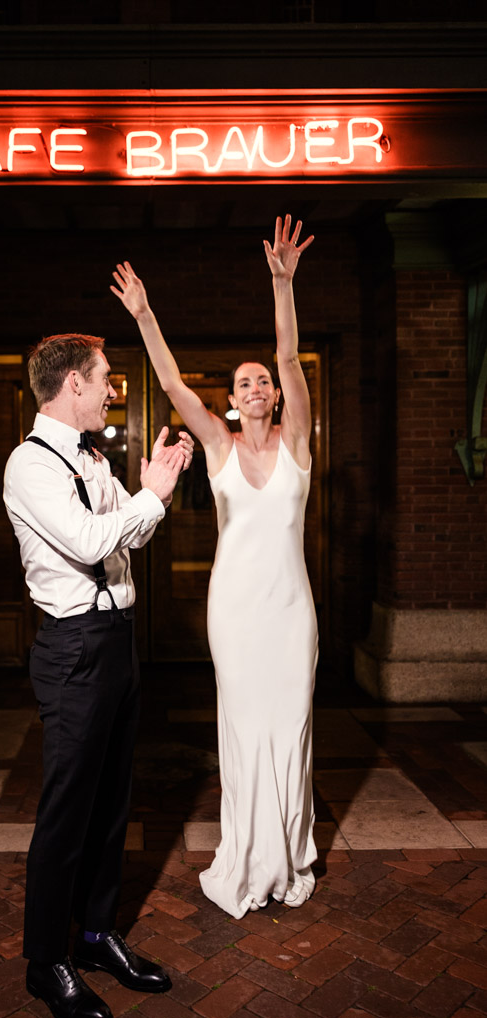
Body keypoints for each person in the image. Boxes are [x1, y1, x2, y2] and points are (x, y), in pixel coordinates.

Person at [111, 214, 318, 919]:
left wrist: (280, 284)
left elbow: (291, 355)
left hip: (291, 611)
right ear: (232, 398)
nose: (257, 384)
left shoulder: (296, 444)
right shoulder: (221, 445)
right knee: (242, 725)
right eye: (243, 380)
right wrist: (144, 315)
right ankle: (246, 855)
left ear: (276, 394)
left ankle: (286, 855)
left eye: (263, 378)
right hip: (234, 610)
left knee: (288, 725)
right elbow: (170, 386)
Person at [3, 333, 193, 1018]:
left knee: (113, 802)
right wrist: (150, 495)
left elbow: (131, 535)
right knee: (66, 812)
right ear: (72, 384)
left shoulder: (92, 454)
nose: (112, 389)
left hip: (117, 642)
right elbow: (88, 541)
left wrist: (149, 492)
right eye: (106, 378)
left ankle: (92, 934)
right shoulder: (29, 464)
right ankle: (44, 960)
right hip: (73, 649)